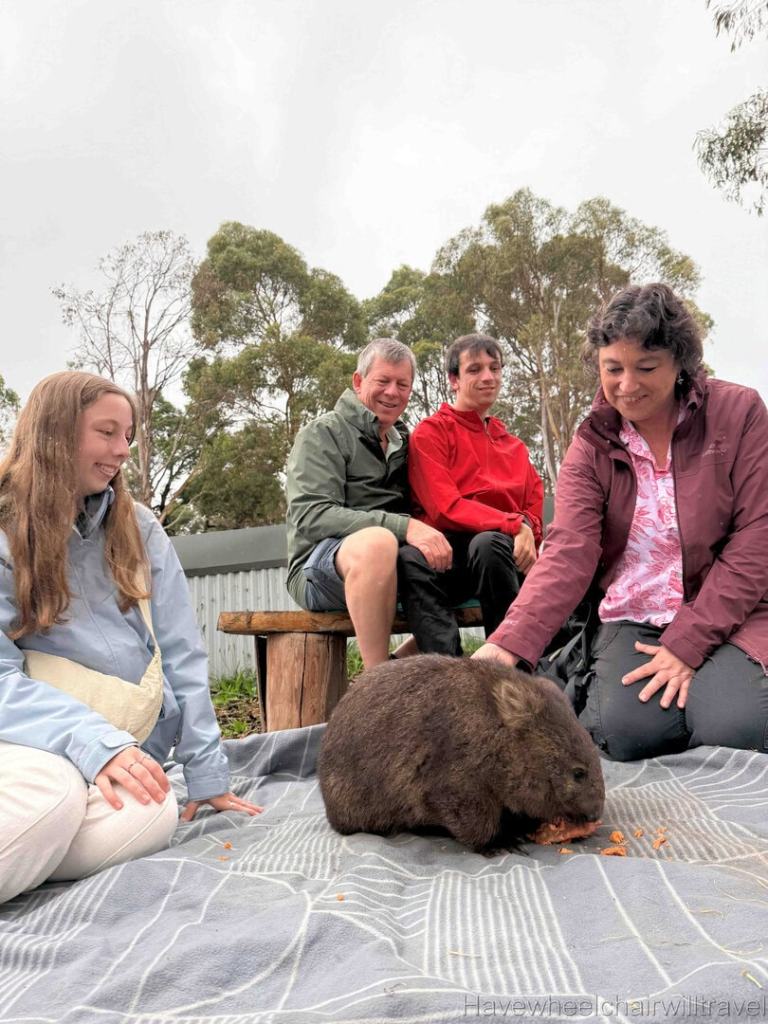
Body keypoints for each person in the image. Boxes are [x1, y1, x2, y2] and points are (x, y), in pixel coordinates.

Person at [474, 283, 768, 762]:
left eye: (646, 368)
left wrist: (690, 644)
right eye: (613, 369)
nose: (627, 385)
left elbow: (758, 538)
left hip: (735, 610)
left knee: (735, 727)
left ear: (680, 365)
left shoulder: (739, 414)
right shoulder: (591, 445)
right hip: (639, 613)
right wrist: (506, 646)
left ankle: (724, 688)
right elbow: (569, 551)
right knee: (625, 735)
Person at [0, 372, 262, 904]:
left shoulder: (138, 526)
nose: (122, 450)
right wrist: (92, 744)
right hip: (30, 742)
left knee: (152, 810)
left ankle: (32, 852)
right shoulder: (5, 532)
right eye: (107, 433)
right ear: (54, 435)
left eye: (128, 435)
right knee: (55, 795)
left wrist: (206, 771)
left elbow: (181, 652)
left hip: (123, 742)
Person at [285, 338, 462, 668]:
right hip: (320, 570)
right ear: (358, 381)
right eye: (383, 381)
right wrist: (403, 526)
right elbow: (312, 516)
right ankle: (376, 682)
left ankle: (474, 672)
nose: (392, 392)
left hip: (399, 566)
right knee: (378, 543)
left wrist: (517, 525)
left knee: (481, 551)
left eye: (402, 384)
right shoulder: (324, 433)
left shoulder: (409, 440)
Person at [408, 333, 544, 637]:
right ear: (454, 379)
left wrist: (528, 531)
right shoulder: (431, 433)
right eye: (475, 369)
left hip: (504, 558)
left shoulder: (515, 447)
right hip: (451, 560)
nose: (488, 377)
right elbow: (444, 507)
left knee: (491, 544)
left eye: (494, 369)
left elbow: (533, 506)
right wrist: (513, 524)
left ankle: (509, 661)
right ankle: (445, 673)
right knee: (410, 557)